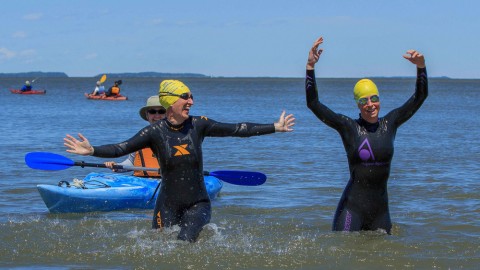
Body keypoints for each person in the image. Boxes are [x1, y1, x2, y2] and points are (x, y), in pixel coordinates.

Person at [64, 79, 295, 242]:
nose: (191, 101)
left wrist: (275, 127)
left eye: (191, 96)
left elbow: (238, 129)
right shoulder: (154, 133)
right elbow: (120, 148)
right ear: (170, 101)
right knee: (156, 246)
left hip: (198, 203)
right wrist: (92, 149)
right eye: (185, 97)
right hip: (166, 204)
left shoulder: (199, 124)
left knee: (184, 243)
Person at [305, 36, 428, 234]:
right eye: (364, 101)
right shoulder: (349, 127)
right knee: (343, 253)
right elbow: (313, 104)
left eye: (374, 98)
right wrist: (310, 66)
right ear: (358, 104)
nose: (370, 105)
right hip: (352, 209)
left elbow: (420, 97)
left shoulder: (391, 123)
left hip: (380, 210)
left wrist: (421, 66)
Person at [104, 95, 166, 178]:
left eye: (161, 111)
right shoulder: (141, 137)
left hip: (165, 184)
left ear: (167, 114)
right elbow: (131, 162)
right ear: (147, 115)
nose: (157, 115)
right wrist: (117, 166)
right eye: (152, 111)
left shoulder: (177, 137)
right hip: (141, 183)